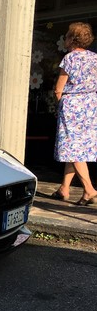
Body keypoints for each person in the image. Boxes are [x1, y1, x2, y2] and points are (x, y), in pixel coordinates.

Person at [50, 22, 97, 205]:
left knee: (73, 149)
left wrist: (62, 105)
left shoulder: (69, 59)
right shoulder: (95, 58)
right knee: (77, 148)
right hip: (91, 106)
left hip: (72, 106)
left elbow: (58, 89)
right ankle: (64, 188)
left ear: (72, 39)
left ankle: (89, 189)